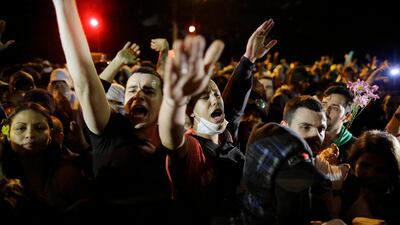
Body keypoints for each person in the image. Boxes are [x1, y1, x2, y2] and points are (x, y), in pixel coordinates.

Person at [52, 0, 174, 223]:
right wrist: (64, 4)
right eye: (132, 90)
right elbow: (86, 83)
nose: (138, 96)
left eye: (148, 90)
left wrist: (165, 52)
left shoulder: (173, 136)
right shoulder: (110, 130)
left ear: (164, 101)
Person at [158, 19, 277, 224]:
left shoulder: (226, 135)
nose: (215, 98)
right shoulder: (190, 148)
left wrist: (249, 58)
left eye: (216, 93)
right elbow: (171, 138)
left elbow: (235, 101)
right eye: (205, 96)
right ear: (190, 111)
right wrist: (173, 101)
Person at [0, 102, 90, 223]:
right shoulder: (2, 173)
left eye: (39, 128)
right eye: (21, 128)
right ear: (8, 134)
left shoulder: (67, 173)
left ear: (51, 134)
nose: (30, 135)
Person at [340, 130, 400, 224]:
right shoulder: (341, 188)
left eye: (380, 170)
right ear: (354, 162)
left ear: (393, 172)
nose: (370, 174)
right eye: (365, 166)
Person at [321, 84, 356, 163]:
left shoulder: (354, 148)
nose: (326, 111)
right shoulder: (306, 135)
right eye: (323, 105)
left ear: (347, 117)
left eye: (334, 108)